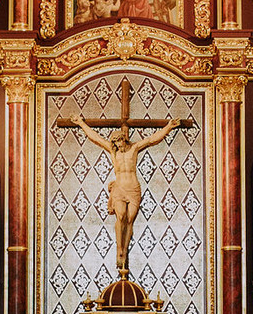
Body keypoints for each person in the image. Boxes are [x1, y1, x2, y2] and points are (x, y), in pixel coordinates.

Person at [74, 112, 181, 277]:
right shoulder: (113, 151)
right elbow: (95, 138)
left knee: (130, 219)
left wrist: (168, 127)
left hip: (133, 188)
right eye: (115, 142)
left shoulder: (134, 149)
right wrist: (81, 124)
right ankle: (119, 250)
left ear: (124, 139)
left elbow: (152, 139)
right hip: (119, 189)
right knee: (121, 216)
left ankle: (125, 246)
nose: (118, 144)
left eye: (120, 141)